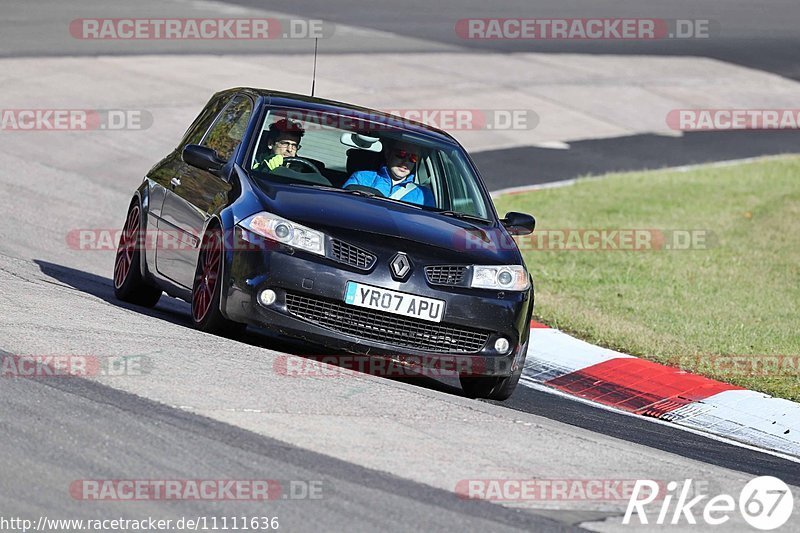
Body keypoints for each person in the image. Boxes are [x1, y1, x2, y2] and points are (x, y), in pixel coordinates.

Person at [342, 141, 434, 207]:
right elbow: (342, 206)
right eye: (401, 154)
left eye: (413, 158)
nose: (406, 161)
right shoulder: (361, 178)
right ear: (388, 153)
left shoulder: (424, 195)